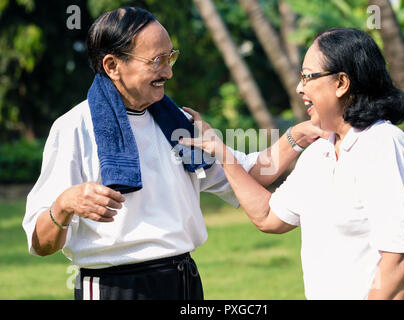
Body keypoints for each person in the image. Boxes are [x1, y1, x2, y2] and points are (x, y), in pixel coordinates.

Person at [22, 7, 326, 300]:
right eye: (156, 61)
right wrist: (64, 204)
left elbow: (246, 174)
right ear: (112, 66)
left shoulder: (178, 123)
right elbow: (40, 242)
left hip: (182, 280)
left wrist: (299, 134)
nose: (167, 72)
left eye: (170, 58)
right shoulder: (74, 128)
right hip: (114, 288)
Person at [180, 27, 404, 300]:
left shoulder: (381, 142)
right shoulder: (318, 153)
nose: (300, 88)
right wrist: (223, 154)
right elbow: (268, 216)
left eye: (307, 77)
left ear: (342, 83)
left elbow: (401, 256)